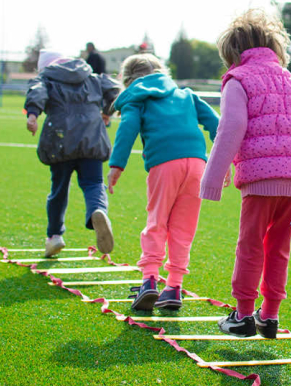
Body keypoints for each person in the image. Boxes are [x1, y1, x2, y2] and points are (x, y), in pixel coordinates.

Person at [199, 8, 291, 338]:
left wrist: (212, 177)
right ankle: (269, 315)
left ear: (233, 53)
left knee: (250, 245)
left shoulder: (238, 79)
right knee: (278, 248)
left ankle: (241, 315)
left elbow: (232, 127)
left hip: (261, 178)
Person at [107, 54, 219, 311]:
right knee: (184, 227)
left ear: (127, 80)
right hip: (197, 164)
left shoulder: (137, 98)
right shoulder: (186, 95)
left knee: (157, 221)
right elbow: (217, 124)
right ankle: (174, 287)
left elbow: (128, 128)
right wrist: (224, 160)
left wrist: (116, 165)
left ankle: (149, 281)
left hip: (165, 163)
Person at [25, 49, 121, 258]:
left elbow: (37, 91)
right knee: (94, 183)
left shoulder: (47, 78)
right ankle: (98, 211)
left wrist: (33, 114)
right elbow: (114, 89)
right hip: (92, 137)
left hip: (60, 139)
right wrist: (107, 111)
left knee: (59, 188)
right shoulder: (90, 76)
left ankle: (55, 236)